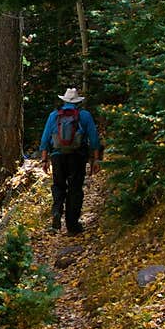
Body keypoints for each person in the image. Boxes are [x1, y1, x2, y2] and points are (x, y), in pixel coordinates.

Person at [39, 87, 102, 236]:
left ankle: (56, 211)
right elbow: (94, 139)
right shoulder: (84, 115)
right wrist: (96, 159)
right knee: (75, 189)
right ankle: (72, 226)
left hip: (57, 156)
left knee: (58, 185)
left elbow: (45, 138)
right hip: (77, 156)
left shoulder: (54, 115)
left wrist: (44, 159)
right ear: (77, 102)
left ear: (64, 100)